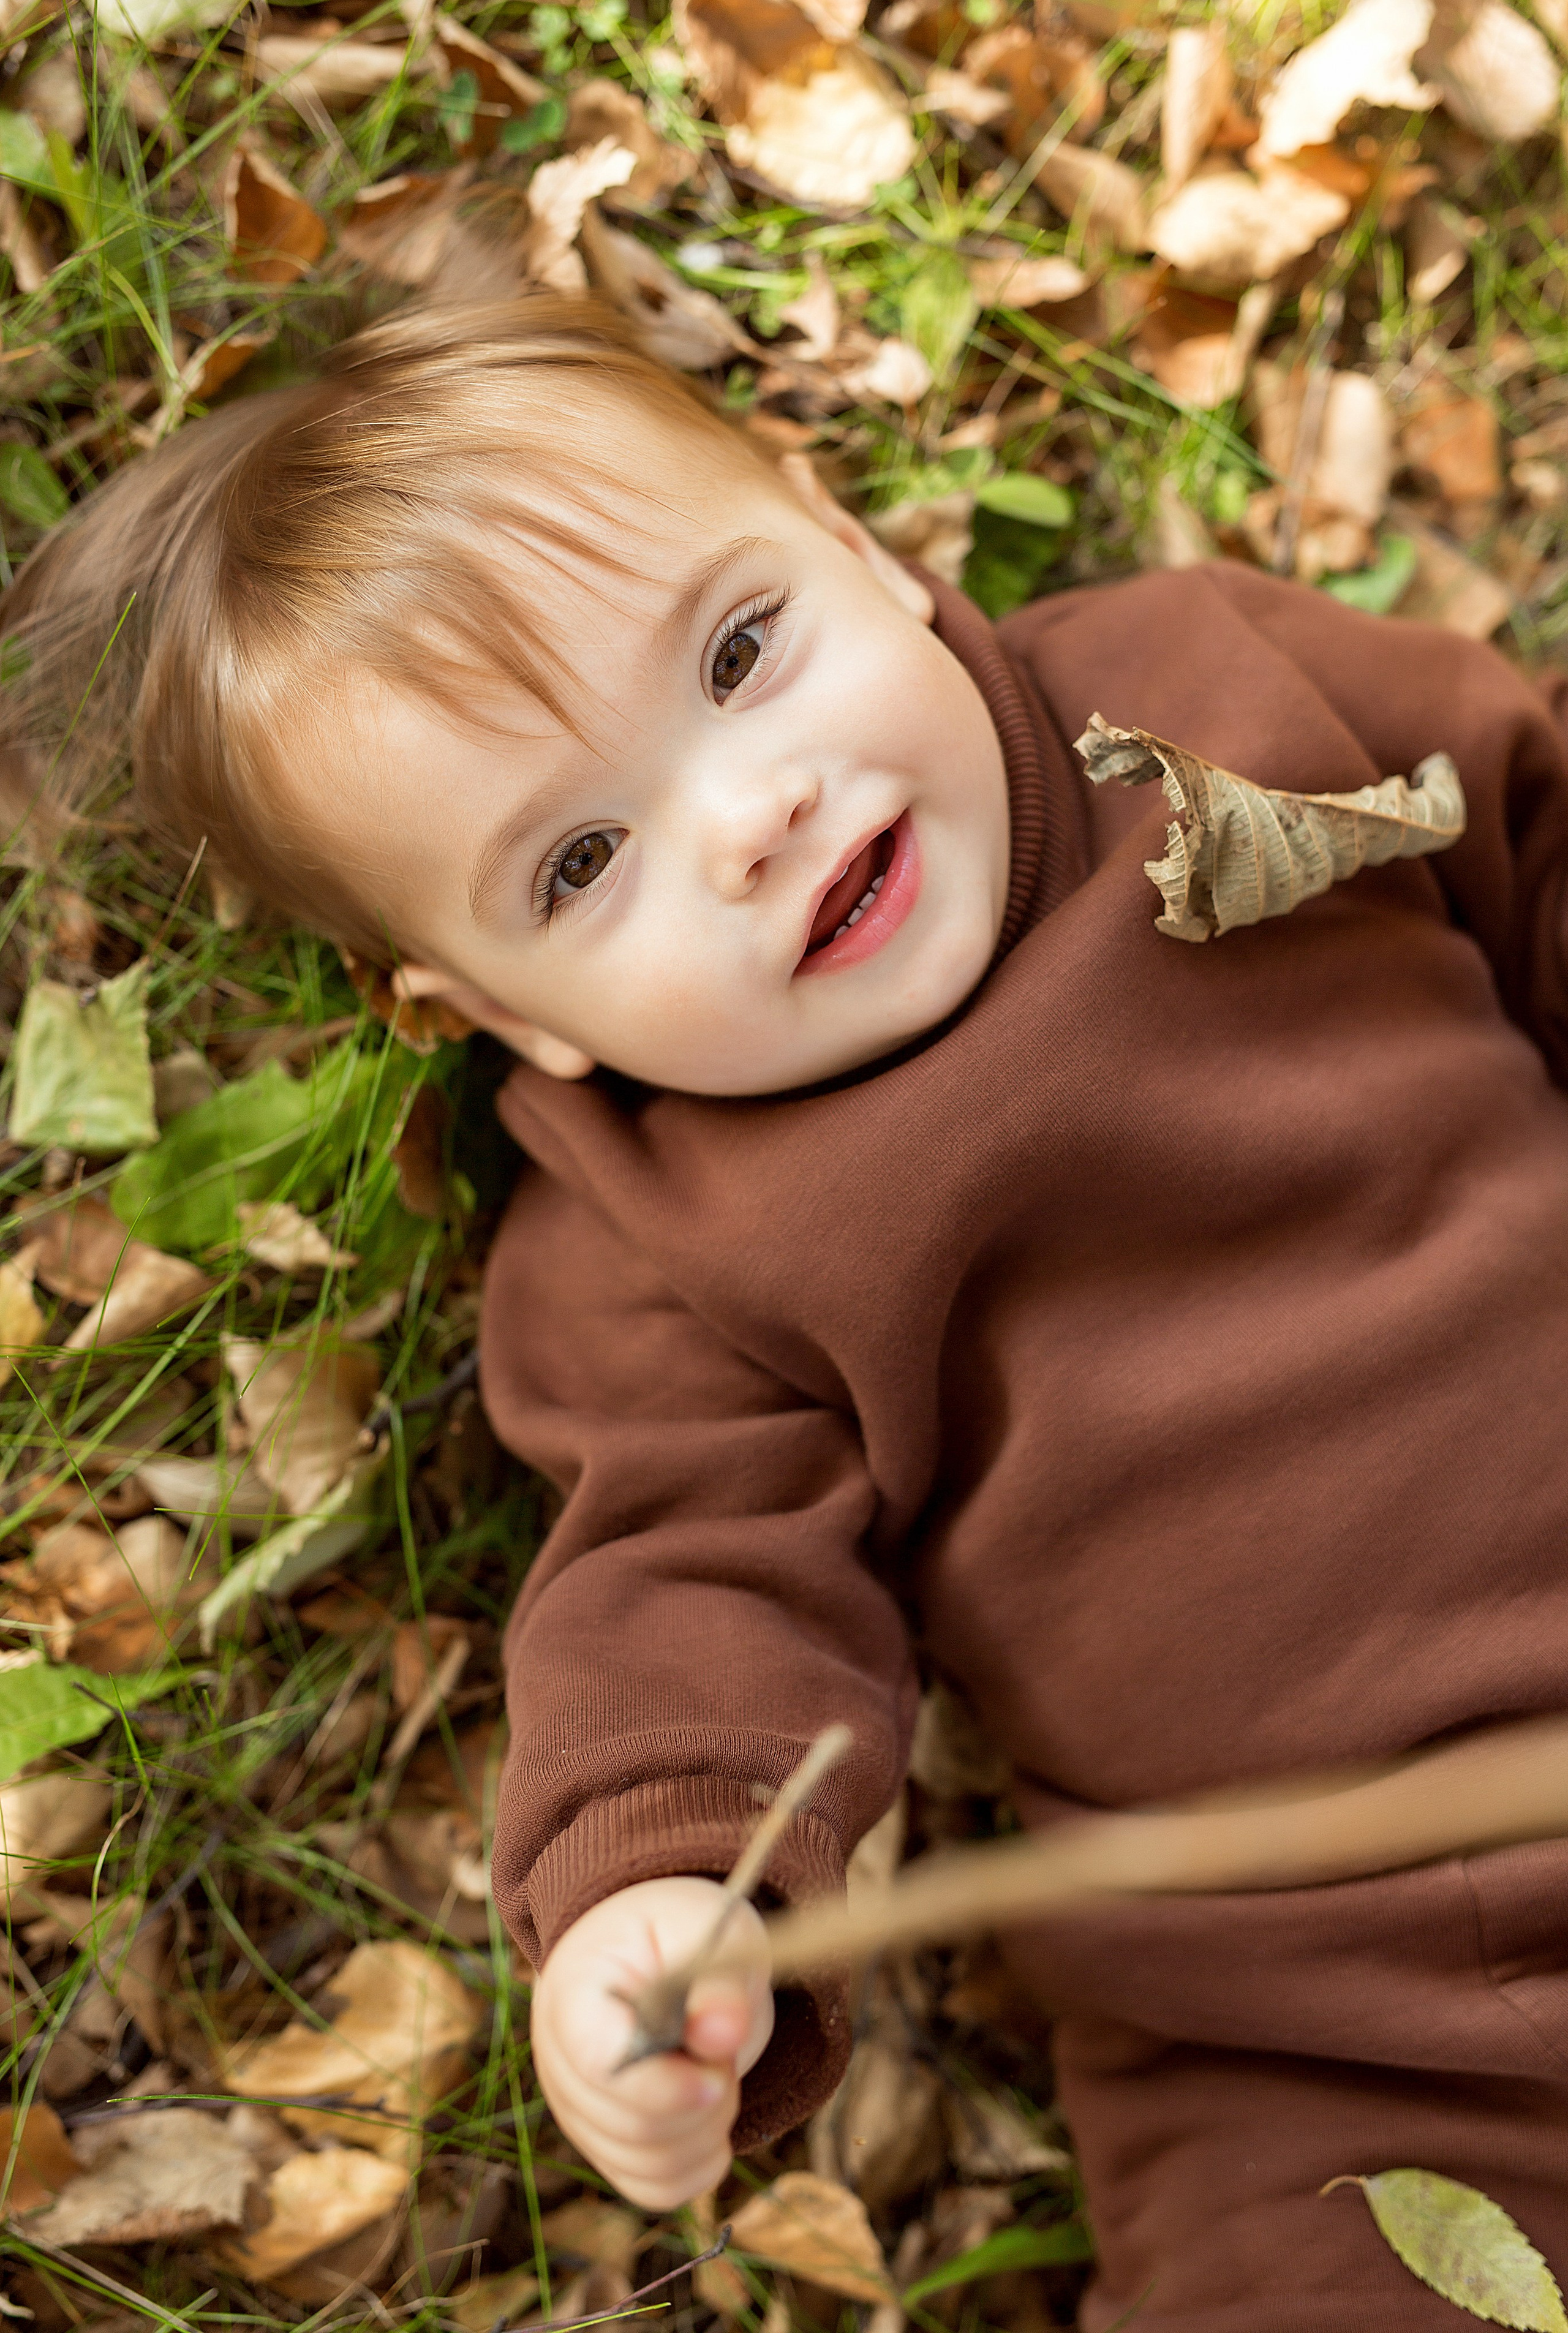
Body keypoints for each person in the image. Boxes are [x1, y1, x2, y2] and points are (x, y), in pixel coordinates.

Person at [8, 293, 1568, 2333]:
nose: (747, 820)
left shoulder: (1215, 687)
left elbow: (1534, 840)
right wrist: (669, 1892)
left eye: (741, 656)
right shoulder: (647, 1240)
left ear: (855, 543)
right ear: (495, 1024)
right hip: (1331, 2026)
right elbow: (684, 1589)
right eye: (578, 865)